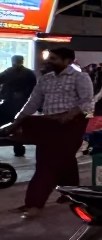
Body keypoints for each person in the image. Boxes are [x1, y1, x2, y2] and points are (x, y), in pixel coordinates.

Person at [9, 47, 93, 219]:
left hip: (71, 125)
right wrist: (16, 121)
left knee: (47, 164)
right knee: (64, 160)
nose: (48, 62)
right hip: (49, 125)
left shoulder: (80, 77)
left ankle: (34, 204)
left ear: (67, 60)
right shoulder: (45, 79)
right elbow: (32, 103)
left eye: (53, 59)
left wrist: (67, 116)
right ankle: (72, 193)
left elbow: (87, 103)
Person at [0, 55, 37, 157]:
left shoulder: (11, 72)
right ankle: (18, 147)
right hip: (20, 103)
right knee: (17, 125)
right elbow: (34, 88)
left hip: (14, 103)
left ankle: (18, 145)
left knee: (13, 122)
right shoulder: (28, 73)